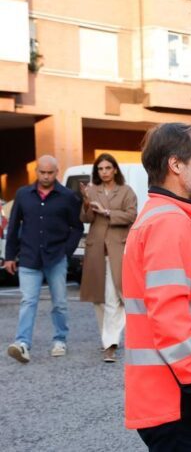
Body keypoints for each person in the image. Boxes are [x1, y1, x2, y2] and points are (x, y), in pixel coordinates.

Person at [122, 123, 191, 451]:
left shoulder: (168, 218)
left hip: (171, 395)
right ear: (176, 165)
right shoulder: (171, 223)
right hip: (179, 399)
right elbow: (169, 320)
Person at [5, 155, 83, 363]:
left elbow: (77, 227)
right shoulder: (23, 195)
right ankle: (22, 344)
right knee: (28, 301)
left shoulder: (67, 197)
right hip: (29, 257)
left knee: (59, 303)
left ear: (57, 172)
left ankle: (60, 340)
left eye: (50, 172)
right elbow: (13, 227)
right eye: (42, 172)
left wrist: (66, 251)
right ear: (36, 172)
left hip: (56, 258)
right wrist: (9, 257)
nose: (46, 176)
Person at [79, 153, 138, 363]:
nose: (104, 172)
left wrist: (107, 212)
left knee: (114, 298)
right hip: (96, 251)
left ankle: (111, 344)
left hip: (117, 251)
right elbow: (85, 219)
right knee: (99, 299)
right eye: (100, 169)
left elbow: (132, 215)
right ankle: (109, 338)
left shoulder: (126, 191)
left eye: (107, 168)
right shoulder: (92, 190)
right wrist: (87, 203)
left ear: (115, 169)